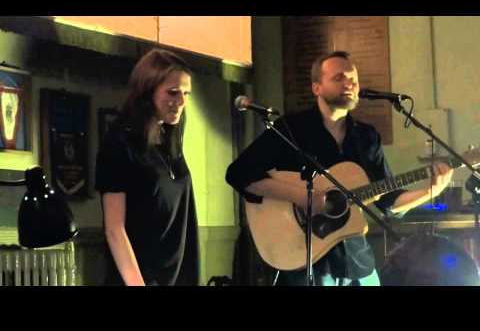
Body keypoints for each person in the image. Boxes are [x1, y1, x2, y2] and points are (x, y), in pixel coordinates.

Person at [225, 51, 454, 286]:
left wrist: (431, 192)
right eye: (339, 78)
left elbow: (387, 201)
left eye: (353, 80)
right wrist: (304, 197)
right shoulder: (291, 129)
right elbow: (239, 173)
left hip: (355, 257)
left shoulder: (366, 137)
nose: (349, 84)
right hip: (304, 255)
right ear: (317, 88)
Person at [95, 48, 199, 286]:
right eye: (173, 92)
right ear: (147, 91)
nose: (181, 102)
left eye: (186, 93)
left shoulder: (169, 141)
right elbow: (114, 230)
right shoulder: (120, 144)